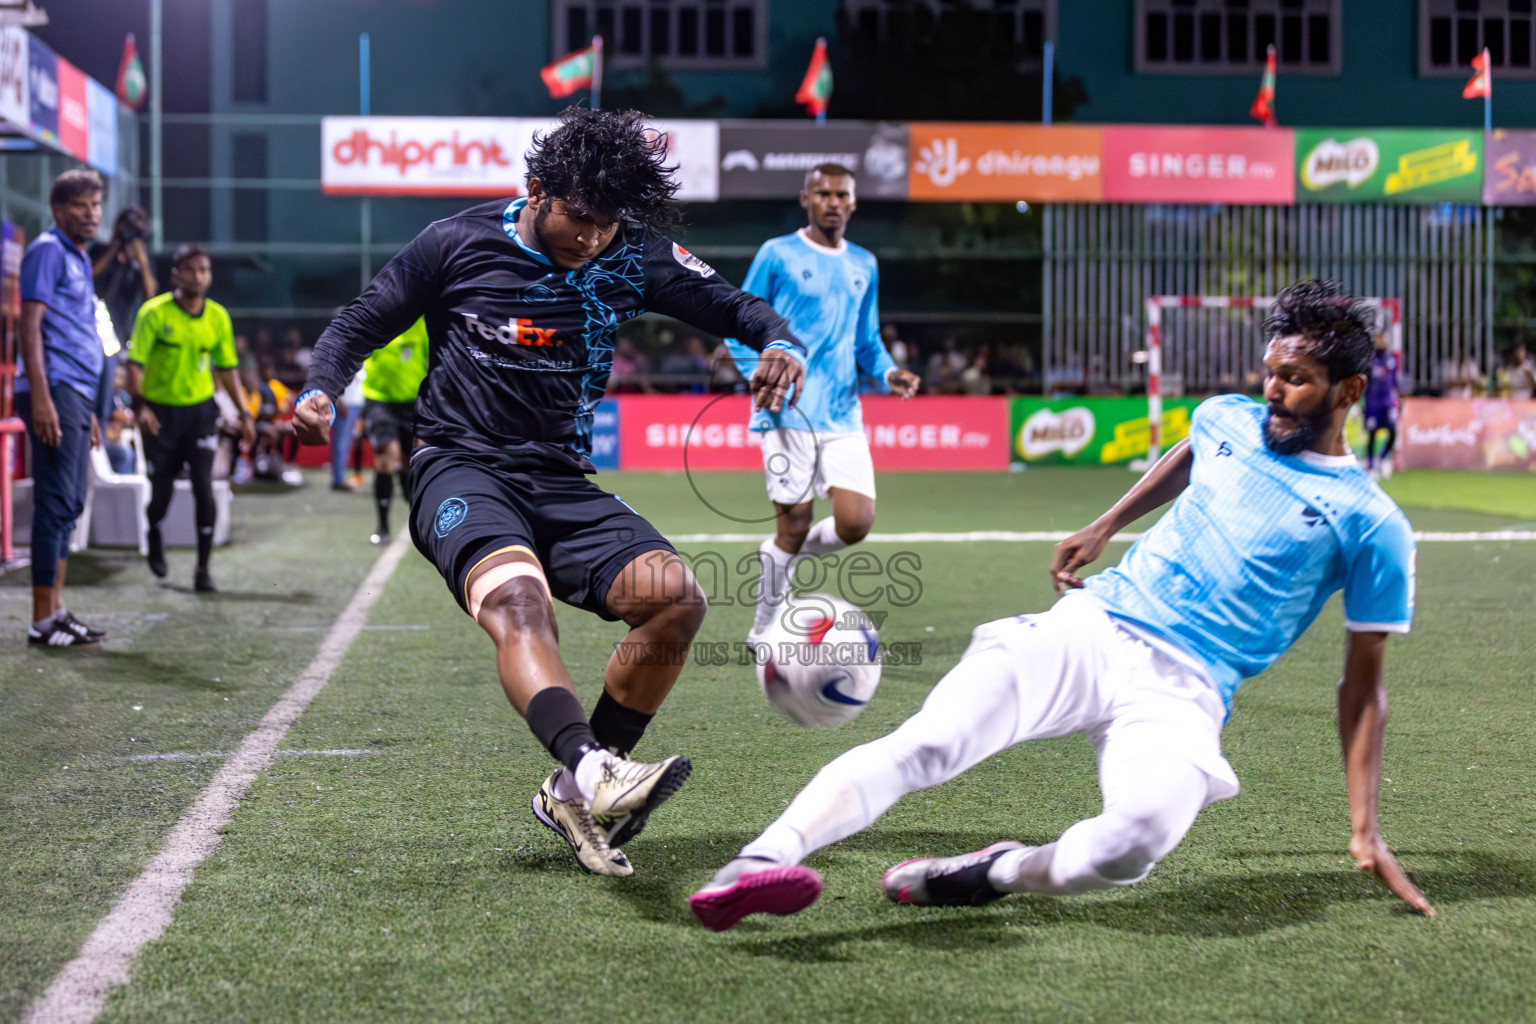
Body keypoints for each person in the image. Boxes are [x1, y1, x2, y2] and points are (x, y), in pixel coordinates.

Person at [690, 280, 1434, 932]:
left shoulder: (1372, 525)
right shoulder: (1229, 417)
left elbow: (1363, 686)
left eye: (1296, 379)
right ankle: (757, 862)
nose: (1272, 391)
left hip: (1188, 691)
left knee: (1131, 847)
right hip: (1095, 626)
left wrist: (1364, 828)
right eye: (1270, 372)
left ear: (1348, 389)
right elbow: (1191, 453)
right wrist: (1108, 524)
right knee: (932, 743)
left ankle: (994, 873)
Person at [291, 107, 806, 878]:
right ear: (537, 191)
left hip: (559, 479)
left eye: (608, 224)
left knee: (677, 599)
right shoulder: (455, 243)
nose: (593, 238)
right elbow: (360, 323)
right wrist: (322, 391)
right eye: (581, 218)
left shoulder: (631, 256)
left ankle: (574, 789)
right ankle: (594, 767)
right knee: (520, 603)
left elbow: (734, 306)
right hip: (459, 466)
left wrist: (776, 341)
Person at [724, 163, 920, 641]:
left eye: (842, 195)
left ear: (853, 203)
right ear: (806, 198)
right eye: (824, 193)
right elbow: (738, 322)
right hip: (786, 410)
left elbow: (866, 338)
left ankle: (780, 556)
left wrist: (888, 370)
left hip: (843, 412)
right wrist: (759, 376)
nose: (833, 201)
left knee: (856, 522)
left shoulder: (864, 264)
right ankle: (763, 630)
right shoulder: (778, 254)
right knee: (795, 524)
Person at [126, 244, 255, 593]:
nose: (199, 276)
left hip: (200, 413)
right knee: (162, 494)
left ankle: (203, 569)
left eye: (205, 270)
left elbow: (227, 369)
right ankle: (153, 530)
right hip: (159, 416)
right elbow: (133, 366)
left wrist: (244, 413)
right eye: (192, 269)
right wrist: (140, 408)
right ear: (176, 274)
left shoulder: (218, 317)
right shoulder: (154, 313)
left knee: (204, 487)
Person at [17, 170, 109, 647]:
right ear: (58, 210)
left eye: (95, 205)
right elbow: (29, 328)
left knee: (70, 502)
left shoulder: (77, 257)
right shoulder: (47, 251)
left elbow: (75, 333)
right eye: (80, 205)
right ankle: (41, 620)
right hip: (53, 386)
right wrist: (44, 398)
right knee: (55, 503)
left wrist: (87, 408)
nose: (91, 214)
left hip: (73, 390)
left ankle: (58, 610)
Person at [360, 316, 429, 543]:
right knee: (385, 460)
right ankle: (383, 527)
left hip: (412, 401)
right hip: (379, 400)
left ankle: (420, 520)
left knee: (412, 464)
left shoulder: (424, 324)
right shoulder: (380, 317)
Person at [1363, 333, 1404, 479]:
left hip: (1387, 403)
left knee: (1393, 431)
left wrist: (1400, 397)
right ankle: (1371, 465)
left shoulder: (1391, 359)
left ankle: (1383, 458)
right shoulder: (1369, 360)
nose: (1383, 342)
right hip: (1372, 403)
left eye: (1385, 339)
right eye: (1380, 339)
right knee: (1372, 434)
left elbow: (1394, 381)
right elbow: (1363, 382)